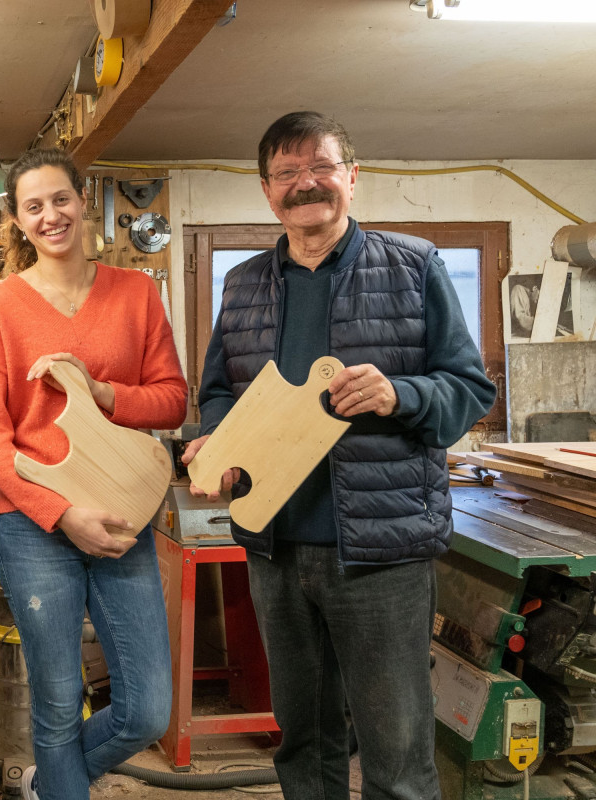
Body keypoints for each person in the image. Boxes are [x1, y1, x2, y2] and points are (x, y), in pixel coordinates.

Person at [182, 111, 496, 800]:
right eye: (287, 173)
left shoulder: (414, 265)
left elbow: (471, 391)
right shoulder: (242, 287)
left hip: (381, 554)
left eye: (320, 167)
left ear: (352, 177)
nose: (306, 184)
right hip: (275, 547)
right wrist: (220, 442)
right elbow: (218, 393)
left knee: (397, 752)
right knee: (304, 744)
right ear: (267, 190)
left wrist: (399, 393)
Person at [0, 148, 188, 800]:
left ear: (82, 201)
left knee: (146, 709)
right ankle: (59, 784)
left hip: (121, 516)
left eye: (60, 199)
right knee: (58, 706)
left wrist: (104, 392)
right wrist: (61, 514)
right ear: (18, 220)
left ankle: (51, 782)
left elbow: (172, 399)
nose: (50, 214)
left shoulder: (137, 294)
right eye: (34, 206)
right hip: (35, 527)